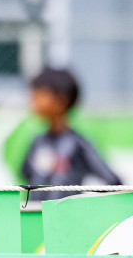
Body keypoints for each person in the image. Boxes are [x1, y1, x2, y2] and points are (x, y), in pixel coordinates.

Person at [20, 66, 121, 199]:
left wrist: (84, 207)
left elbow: (112, 181)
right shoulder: (38, 141)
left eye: (39, 94)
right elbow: (25, 173)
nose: (33, 100)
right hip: (36, 215)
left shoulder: (78, 143)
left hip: (66, 218)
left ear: (62, 100)